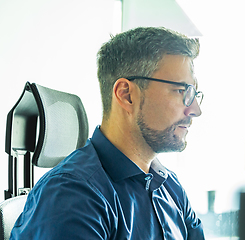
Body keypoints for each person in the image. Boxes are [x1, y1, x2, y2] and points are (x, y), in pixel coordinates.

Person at [10, 27, 205, 240]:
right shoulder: (72, 196)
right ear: (127, 95)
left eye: (194, 94)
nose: (195, 109)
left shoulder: (169, 186)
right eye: (181, 91)